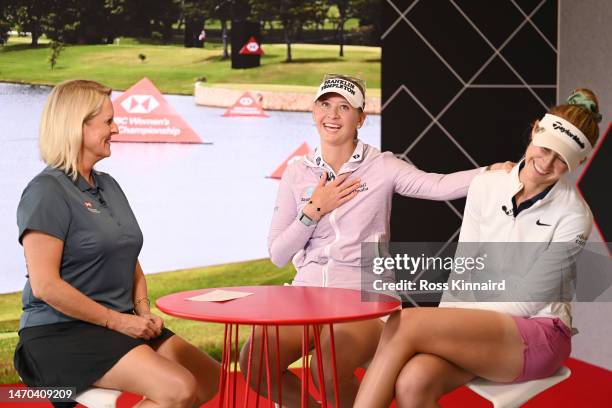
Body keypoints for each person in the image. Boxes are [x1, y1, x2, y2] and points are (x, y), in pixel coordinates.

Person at [239, 73, 512, 407]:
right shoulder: (298, 172)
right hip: (306, 296)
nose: (333, 115)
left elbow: (437, 186)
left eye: (344, 107)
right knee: (255, 361)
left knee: (326, 366)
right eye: (325, 105)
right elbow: (278, 254)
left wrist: (491, 172)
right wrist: (314, 209)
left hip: (365, 298)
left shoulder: (381, 166)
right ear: (313, 111)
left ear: (361, 118)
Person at [353, 89, 601, 408]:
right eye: (545, 148)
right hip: (481, 325)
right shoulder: (486, 185)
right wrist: (446, 327)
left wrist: (443, 329)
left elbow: (525, 303)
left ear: (576, 163)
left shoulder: (574, 215)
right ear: (535, 129)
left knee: (406, 324)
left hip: (540, 332)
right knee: (414, 381)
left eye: (561, 159)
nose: (546, 162)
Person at [13, 80, 219, 408]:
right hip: (61, 332)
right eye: (108, 121)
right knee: (178, 388)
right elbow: (45, 286)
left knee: (209, 377)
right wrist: (120, 321)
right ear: (76, 126)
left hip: (119, 323)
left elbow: (128, 257)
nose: (117, 128)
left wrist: (143, 312)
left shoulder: (108, 185)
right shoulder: (46, 192)